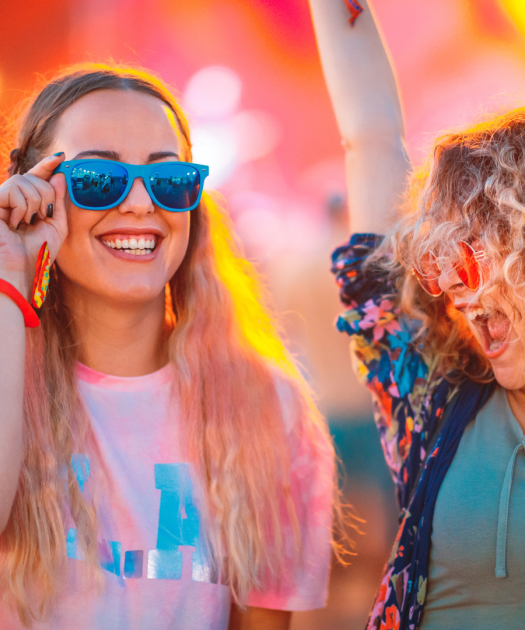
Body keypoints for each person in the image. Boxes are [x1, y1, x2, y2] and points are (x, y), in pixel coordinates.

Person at [310, 1, 525, 628]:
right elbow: (370, 138)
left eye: (477, 255)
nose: (456, 288)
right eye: (440, 262)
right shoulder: (434, 398)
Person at [0, 64, 335, 630]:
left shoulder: (265, 407)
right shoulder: (12, 379)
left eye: (169, 179)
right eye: (98, 178)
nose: (139, 202)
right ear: (34, 193)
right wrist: (10, 274)